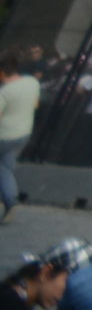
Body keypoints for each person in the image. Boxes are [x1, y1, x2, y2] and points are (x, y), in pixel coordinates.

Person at [3, 240, 90, 310]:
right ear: (46, 272)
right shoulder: (9, 303)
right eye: (69, 283)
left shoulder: (12, 294)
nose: (69, 294)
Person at [0, 59, 35, 221]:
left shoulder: (5, 91)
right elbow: (35, 104)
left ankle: (9, 201)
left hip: (4, 134)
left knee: (3, 169)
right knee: (6, 168)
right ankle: (9, 201)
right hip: (23, 133)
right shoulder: (32, 83)